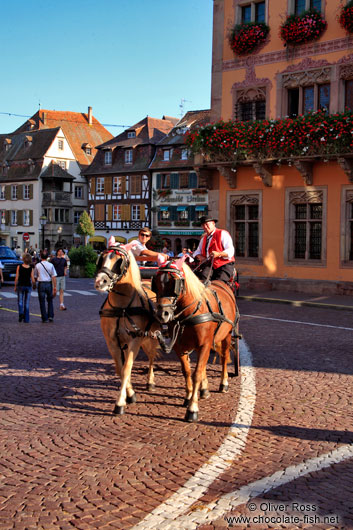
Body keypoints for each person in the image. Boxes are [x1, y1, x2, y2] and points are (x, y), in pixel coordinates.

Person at [193, 216, 235, 283]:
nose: (205, 227)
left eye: (207, 224)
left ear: (213, 223)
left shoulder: (223, 233)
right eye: (203, 225)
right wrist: (200, 257)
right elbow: (197, 252)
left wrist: (219, 254)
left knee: (219, 283)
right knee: (203, 279)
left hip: (224, 265)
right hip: (210, 265)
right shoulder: (204, 238)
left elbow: (230, 251)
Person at [33, 251, 57, 323]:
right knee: (50, 300)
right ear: (47, 257)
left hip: (41, 283)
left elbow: (35, 276)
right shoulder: (51, 265)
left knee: (42, 301)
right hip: (49, 283)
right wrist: (55, 287)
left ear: (40, 257)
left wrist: (34, 283)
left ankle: (44, 317)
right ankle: (50, 316)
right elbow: (54, 277)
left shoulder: (37, 265)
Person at [14, 253, 35, 323]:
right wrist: (34, 285)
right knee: (27, 303)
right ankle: (26, 319)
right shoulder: (31, 268)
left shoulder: (19, 267)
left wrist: (15, 286)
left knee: (20, 301)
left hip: (20, 285)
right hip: (28, 285)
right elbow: (32, 279)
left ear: (23, 259)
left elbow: (17, 277)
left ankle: (21, 313)